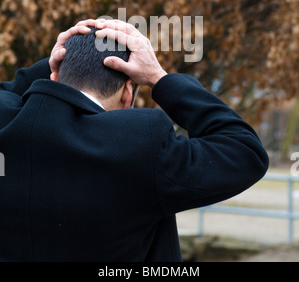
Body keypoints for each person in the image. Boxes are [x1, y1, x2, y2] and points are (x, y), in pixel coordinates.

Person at [0, 18, 268, 262]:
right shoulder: (139, 145)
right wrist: (159, 78)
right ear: (128, 93)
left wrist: (54, 62)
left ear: (55, 74)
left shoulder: (6, 119)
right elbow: (245, 152)